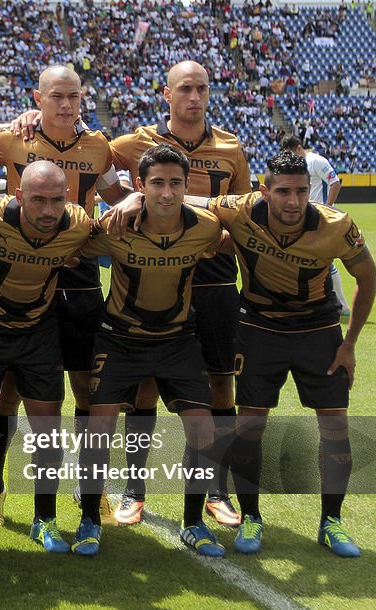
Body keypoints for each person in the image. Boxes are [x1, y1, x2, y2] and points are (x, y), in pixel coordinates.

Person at [0, 64, 127, 529]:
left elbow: (115, 194)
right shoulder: (12, 139)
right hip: (13, 269)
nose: (66, 105)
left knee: (87, 390)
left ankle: (93, 494)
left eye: (74, 97)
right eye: (56, 97)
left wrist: (138, 200)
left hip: (78, 273)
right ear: (38, 97)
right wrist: (5, 123)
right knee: (6, 390)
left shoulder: (97, 145)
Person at [188, 151, 376, 558]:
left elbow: (367, 276)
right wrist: (134, 198)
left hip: (319, 331)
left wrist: (349, 344)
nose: (293, 201)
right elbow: (187, 199)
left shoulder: (336, 225)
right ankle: (253, 517)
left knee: (335, 427)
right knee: (250, 425)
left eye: (301, 191)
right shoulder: (240, 209)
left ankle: (332, 522)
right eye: (284, 192)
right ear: (264, 190)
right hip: (259, 330)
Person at [109, 60, 251, 527]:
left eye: (203, 89)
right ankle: (133, 489)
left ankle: (216, 488)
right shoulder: (135, 143)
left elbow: (242, 212)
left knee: (218, 383)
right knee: (146, 383)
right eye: (185, 89)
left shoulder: (231, 147)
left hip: (212, 281)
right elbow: (90, 160)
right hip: (154, 274)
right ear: (166, 95)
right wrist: (124, 197)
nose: (195, 97)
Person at [77, 144, 224, 557]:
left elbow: (230, 241)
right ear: (140, 185)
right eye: (156, 183)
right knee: (100, 426)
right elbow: (74, 247)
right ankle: (90, 518)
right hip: (120, 338)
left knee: (202, 428)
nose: (166, 192)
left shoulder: (205, 228)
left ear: (186, 185)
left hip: (178, 340)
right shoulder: (115, 226)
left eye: (175, 183)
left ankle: (193, 523)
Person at [0, 161, 92, 556]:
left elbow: (107, 230)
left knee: (48, 430)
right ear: (18, 196)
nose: (48, 211)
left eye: (56, 201)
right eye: (38, 200)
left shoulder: (77, 223)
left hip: (38, 332)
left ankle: (44, 519)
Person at [280, 135, 352, 316]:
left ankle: (341, 304)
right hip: (302, 218)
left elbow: (335, 182)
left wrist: (328, 206)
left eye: (290, 153)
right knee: (303, 258)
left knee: (322, 260)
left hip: (319, 218)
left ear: (298, 148)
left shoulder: (316, 161)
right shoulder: (296, 167)